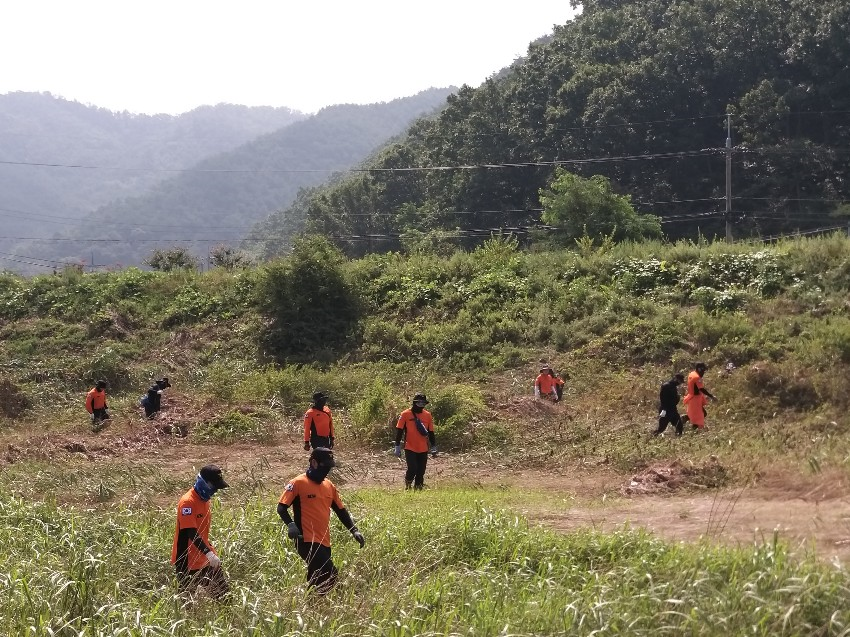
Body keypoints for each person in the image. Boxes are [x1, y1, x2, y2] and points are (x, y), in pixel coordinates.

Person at [277, 447, 365, 593]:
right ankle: (337, 602)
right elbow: (281, 507)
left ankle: (311, 605)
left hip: (324, 540)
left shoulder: (329, 486)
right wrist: (291, 525)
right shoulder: (298, 483)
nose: (327, 471)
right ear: (314, 462)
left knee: (317, 576)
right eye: (325, 466)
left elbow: (341, 511)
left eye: (329, 467)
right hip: (305, 540)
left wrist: (354, 530)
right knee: (330, 572)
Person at [171, 464, 230, 599]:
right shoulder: (187, 502)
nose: (215, 491)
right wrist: (208, 553)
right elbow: (190, 532)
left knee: (224, 597)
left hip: (205, 557)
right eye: (213, 486)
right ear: (204, 483)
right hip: (186, 560)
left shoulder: (205, 501)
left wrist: (209, 553)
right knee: (187, 602)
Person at [394, 393, 437, 490]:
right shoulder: (405, 414)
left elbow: (431, 432)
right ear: (414, 403)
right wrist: (397, 446)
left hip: (423, 448)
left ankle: (418, 489)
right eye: (419, 402)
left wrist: (434, 446)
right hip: (410, 447)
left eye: (423, 403)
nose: (421, 405)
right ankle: (408, 484)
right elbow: (400, 431)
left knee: (421, 471)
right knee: (412, 469)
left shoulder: (428, 415)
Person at [683, 362, 716, 430]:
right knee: (699, 415)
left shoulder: (692, 374)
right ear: (699, 369)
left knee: (700, 414)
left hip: (692, 397)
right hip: (695, 398)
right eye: (703, 370)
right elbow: (701, 389)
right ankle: (688, 422)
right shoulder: (697, 377)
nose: (703, 373)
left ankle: (687, 419)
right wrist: (711, 396)